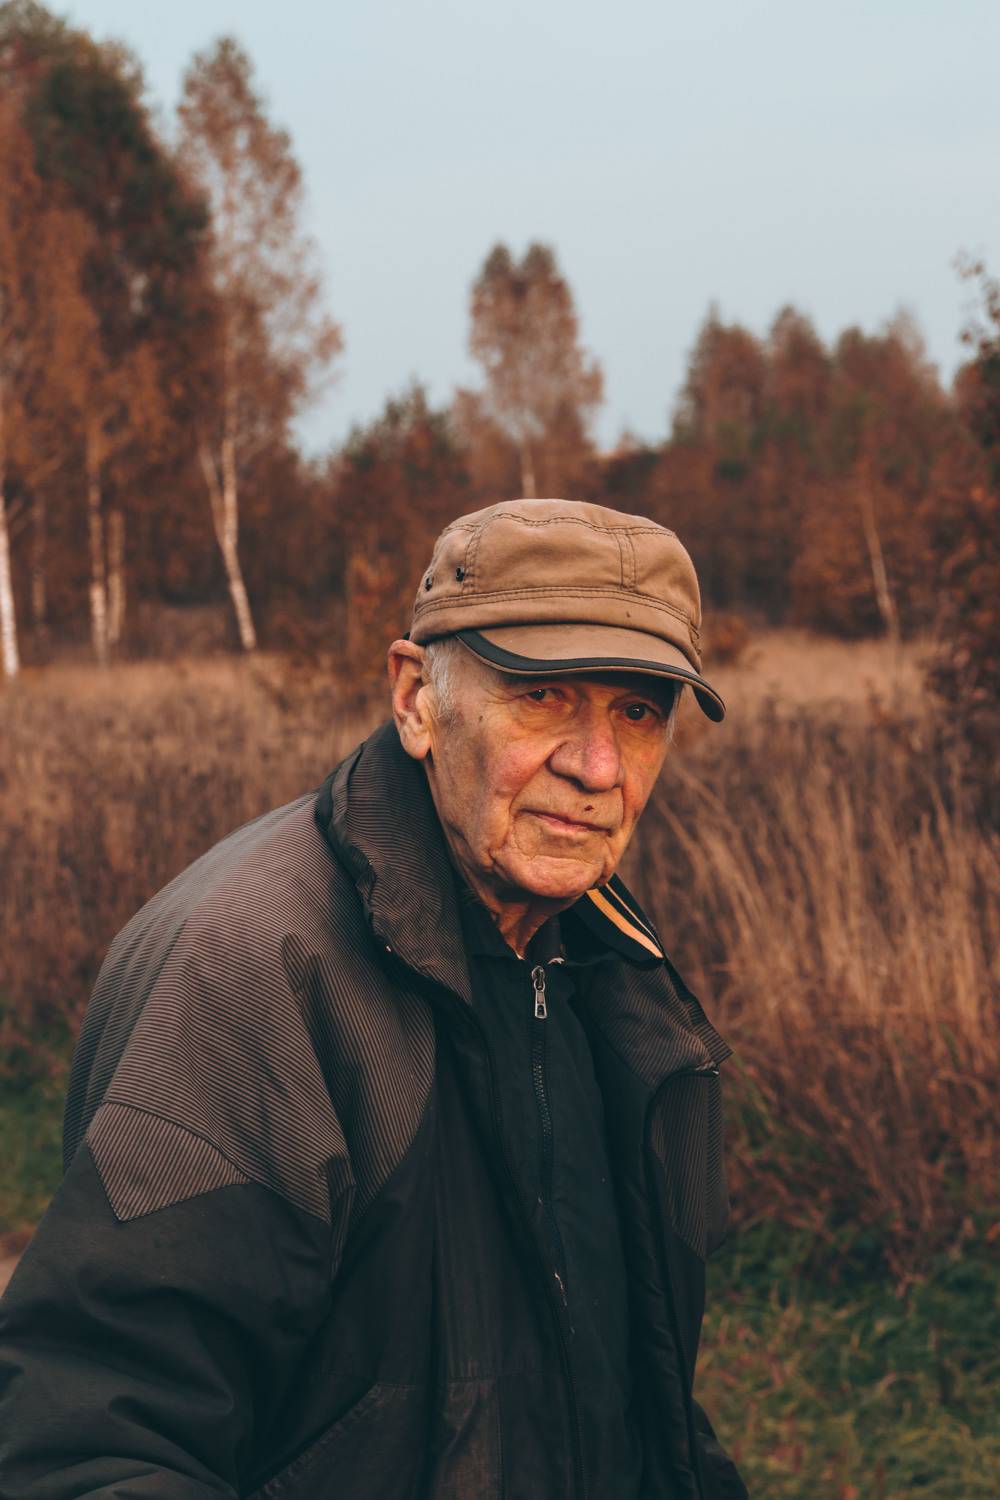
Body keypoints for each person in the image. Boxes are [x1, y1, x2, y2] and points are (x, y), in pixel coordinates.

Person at [0, 498, 748, 1500]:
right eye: (543, 696)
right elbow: (94, 1441)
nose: (596, 765)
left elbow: (631, 1397)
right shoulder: (250, 970)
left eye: (638, 712)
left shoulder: (610, 967)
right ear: (415, 699)